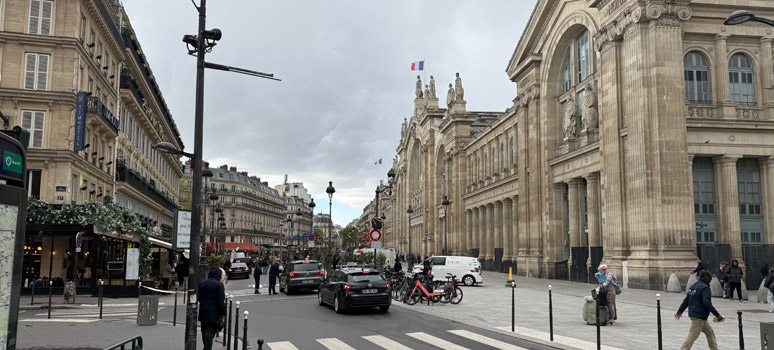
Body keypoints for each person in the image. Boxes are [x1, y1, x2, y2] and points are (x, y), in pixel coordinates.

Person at [675, 270, 724, 350]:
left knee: (710, 333)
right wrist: (717, 314)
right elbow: (707, 303)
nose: (711, 279)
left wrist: (680, 311)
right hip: (699, 316)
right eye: (710, 278)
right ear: (705, 277)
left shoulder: (693, 286)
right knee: (693, 335)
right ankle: (684, 349)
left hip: (696, 315)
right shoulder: (705, 288)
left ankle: (714, 349)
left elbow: (686, 300)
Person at [198, 266, 226, 350]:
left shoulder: (202, 283)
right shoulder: (219, 285)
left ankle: (206, 347)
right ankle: (207, 348)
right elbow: (220, 301)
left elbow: (199, 297)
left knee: (204, 332)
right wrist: (222, 314)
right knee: (210, 334)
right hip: (214, 313)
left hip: (203, 312)